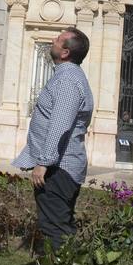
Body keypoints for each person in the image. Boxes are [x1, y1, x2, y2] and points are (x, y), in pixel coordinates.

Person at [14, 28, 95, 252]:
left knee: (55, 228)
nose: (53, 40)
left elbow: (60, 124)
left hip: (59, 168)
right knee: (58, 224)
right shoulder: (67, 75)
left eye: (58, 39)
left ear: (66, 52)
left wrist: (43, 163)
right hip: (60, 167)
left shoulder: (68, 80)